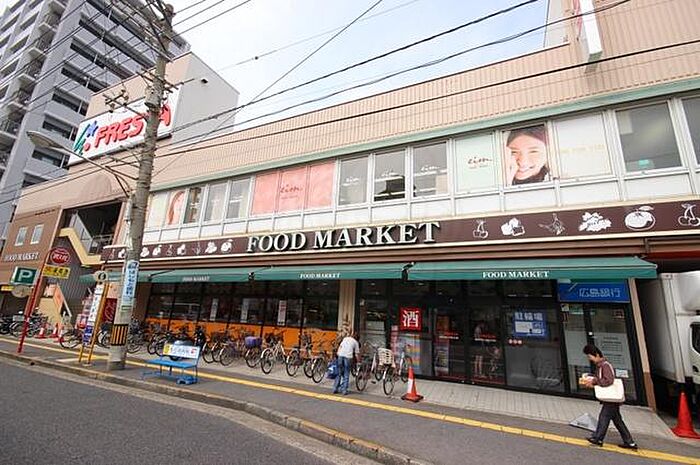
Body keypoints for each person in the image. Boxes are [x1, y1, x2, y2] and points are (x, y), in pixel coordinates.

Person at [581, 344, 638, 450]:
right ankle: (629, 442)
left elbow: (608, 380)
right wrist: (592, 379)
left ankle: (598, 438)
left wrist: (594, 382)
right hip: (612, 398)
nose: (590, 359)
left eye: (590, 356)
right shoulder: (601, 366)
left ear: (597, 355)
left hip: (611, 398)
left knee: (604, 417)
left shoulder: (605, 365)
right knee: (617, 420)